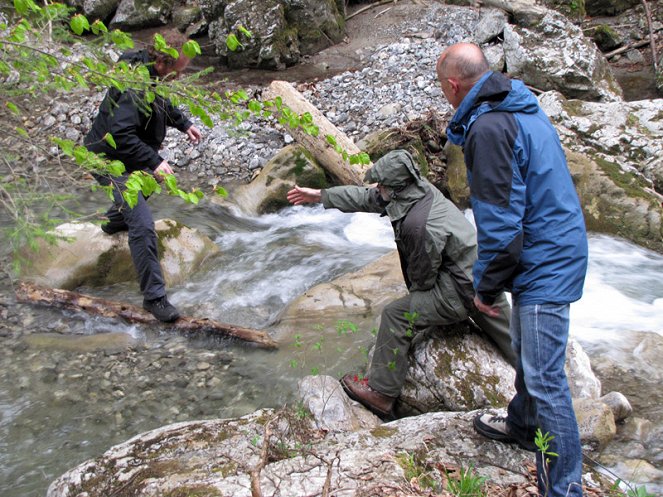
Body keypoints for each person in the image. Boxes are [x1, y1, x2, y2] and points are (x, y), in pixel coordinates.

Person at [436, 43, 588, 497]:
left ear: (453, 85)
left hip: (545, 259)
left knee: (544, 377)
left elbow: (501, 226)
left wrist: (485, 286)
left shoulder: (488, 128)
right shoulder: (518, 105)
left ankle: (566, 488)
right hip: (554, 243)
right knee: (529, 353)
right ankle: (523, 426)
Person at [287, 149, 516, 420]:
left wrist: (422, 309)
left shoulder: (417, 225)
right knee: (515, 340)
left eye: (381, 184)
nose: (377, 188)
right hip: (483, 278)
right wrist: (321, 195)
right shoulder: (419, 189)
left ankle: (382, 393)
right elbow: (369, 198)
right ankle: (548, 380)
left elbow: (422, 278)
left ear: (395, 189)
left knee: (396, 316)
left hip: (459, 291)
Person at [84, 31, 202, 322]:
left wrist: (184, 123)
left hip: (124, 157)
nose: (182, 72)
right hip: (106, 159)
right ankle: (155, 298)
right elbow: (120, 134)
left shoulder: (152, 75)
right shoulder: (134, 83)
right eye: (179, 67)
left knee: (152, 181)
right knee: (143, 224)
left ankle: (114, 221)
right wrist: (155, 160)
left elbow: (160, 101)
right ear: (162, 62)